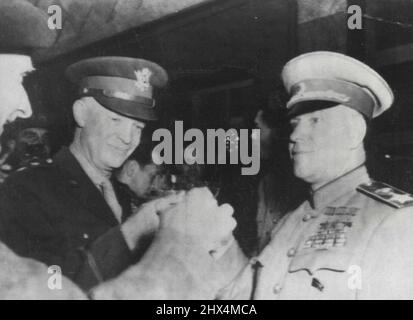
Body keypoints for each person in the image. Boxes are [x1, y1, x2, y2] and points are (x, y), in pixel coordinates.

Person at [219, 51, 413, 299]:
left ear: (354, 132)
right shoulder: (292, 220)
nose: (294, 136)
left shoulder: (395, 221)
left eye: (315, 121)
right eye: (295, 124)